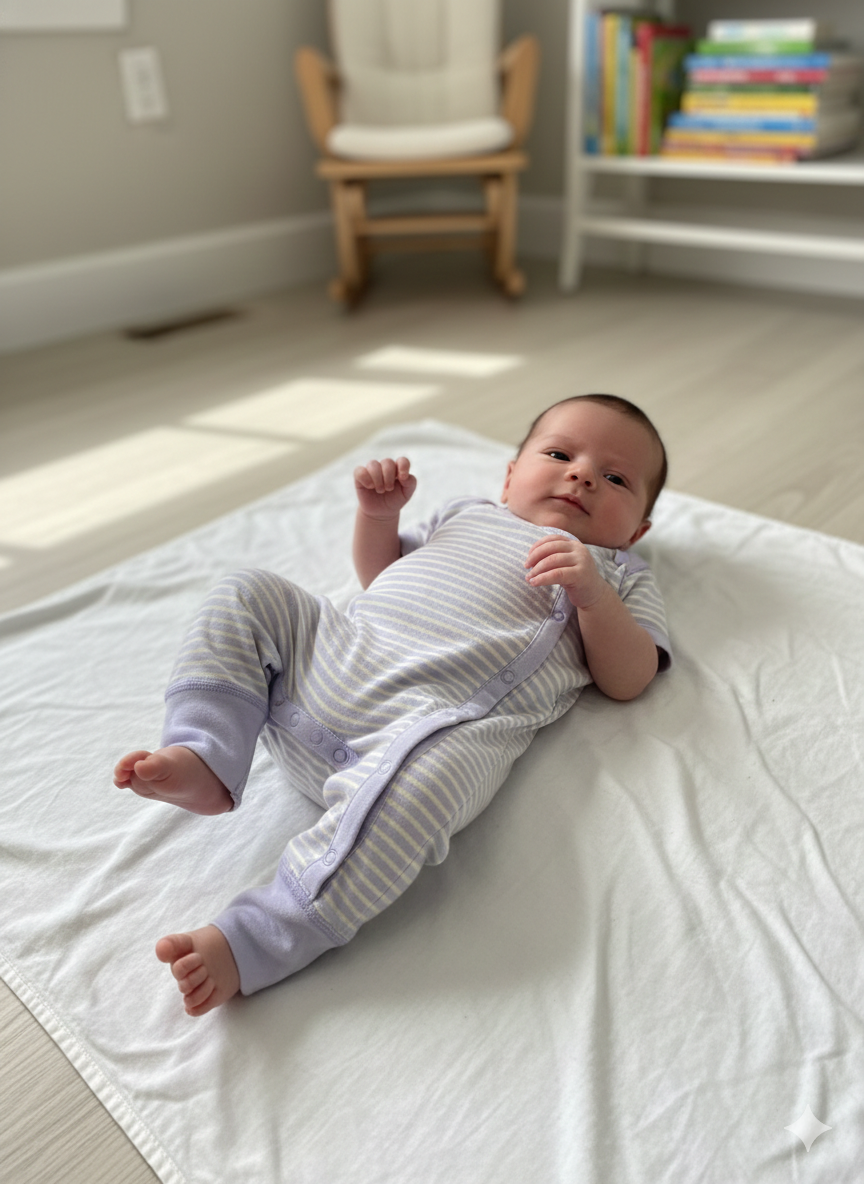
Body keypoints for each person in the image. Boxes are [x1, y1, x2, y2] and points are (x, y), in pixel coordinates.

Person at [114, 394, 671, 1016]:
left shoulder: (619, 574)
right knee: (249, 592)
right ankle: (207, 752)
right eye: (560, 455)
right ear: (510, 476)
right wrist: (377, 517)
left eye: (615, 478)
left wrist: (593, 596)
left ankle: (254, 938)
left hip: (422, 733)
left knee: (433, 783)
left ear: (637, 531)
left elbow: (630, 677)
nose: (583, 475)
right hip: (332, 667)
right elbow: (379, 574)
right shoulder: (464, 514)